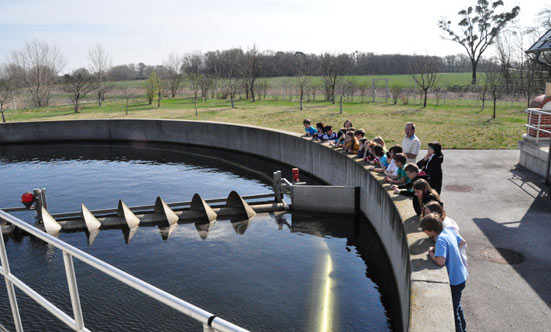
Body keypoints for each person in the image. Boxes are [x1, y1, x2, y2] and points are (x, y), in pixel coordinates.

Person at [420, 213, 468, 332]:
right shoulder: (448, 232)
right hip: (462, 276)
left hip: (454, 280)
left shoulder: (440, 239)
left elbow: (441, 261)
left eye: (425, 231)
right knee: (458, 306)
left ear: (431, 231)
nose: (425, 233)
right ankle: (464, 328)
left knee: (453, 311)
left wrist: (432, 254)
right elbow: (462, 242)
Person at [422, 201, 467, 267]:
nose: (426, 216)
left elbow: (463, 242)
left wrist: (436, 251)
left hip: (456, 263)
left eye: (428, 214)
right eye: (425, 214)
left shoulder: (447, 227)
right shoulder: (439, 225)